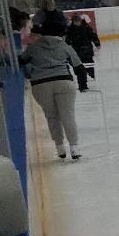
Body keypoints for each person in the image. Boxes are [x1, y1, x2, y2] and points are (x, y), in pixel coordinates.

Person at [20, 23, 84, 159]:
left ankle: (60, 147)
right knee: (68, 115)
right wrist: (83, 84)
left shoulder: (33, 47)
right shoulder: (63, 45)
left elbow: (21, 61)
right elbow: (78, 65)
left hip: (40, 84)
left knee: (51, 116)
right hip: (63, 81)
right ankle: (74, 147)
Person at [65, 14, 100, 92]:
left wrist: (97, 43)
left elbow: (93, 35)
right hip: (77, 51)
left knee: (89, 65)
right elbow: (67, 40)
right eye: (76, 22)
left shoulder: (86, 27)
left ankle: (91, 74)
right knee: (79, 69)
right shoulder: (70, 30)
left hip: (87, 50)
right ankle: (83, 84)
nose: (77, 23)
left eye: (78, 21)